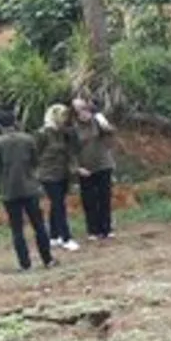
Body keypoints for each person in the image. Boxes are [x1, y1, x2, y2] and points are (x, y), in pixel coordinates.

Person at [0, 109, 56, 272]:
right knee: (39, 225)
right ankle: (47, 259)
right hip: (30, 188)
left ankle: (25, 264)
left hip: (10, 191)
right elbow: (35, 161)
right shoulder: (28, 139)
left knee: (17, 229)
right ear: (15, 121)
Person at [72, 96, 117, 241]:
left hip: (103, 165)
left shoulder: (97, 121)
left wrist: (103, 123)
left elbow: (111, 132)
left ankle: (107, 228)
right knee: (89, 200)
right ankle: (93, 230)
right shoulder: (73, 129)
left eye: (85, 110)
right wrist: (77, 167)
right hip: (86, 169)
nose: (84, 114)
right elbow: (70, 151)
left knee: (104, 197)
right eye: (80, 111)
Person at [36, 103, 80, 251]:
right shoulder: (43, 134)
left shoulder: (63, 133)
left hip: (62, 172)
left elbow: (72, 149)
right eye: (62, 116)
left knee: (57, 204)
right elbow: (36, 154)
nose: (65, 119)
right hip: (48, 174)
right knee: (59, 205)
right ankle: (66, 237)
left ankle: (54, 236)